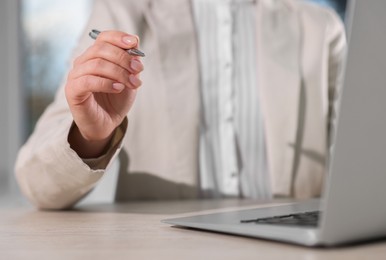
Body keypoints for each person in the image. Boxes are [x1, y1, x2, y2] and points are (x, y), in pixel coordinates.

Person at [15, 0, 346, 210]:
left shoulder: (320, 27)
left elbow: (361, 165)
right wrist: (90, 136)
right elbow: (38, 185)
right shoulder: (122, 13)